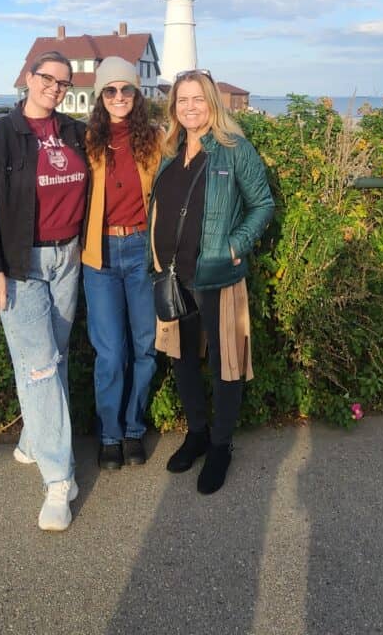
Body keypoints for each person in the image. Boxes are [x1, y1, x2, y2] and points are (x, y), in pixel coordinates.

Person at [0, 51, 88, 532]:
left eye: (63, 82)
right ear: (28, 79)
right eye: (47, 78)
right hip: (21, 266)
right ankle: (60, 480)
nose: (54, 88)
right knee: (40, 367)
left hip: (69, 258)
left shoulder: (75, 133)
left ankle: (34, 438)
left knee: (49, 358)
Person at [148, 69, 274, 495]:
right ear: (174, 107)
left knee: (226, 363)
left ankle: (220, 445)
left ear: (213, 103)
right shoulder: (170, 150)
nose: (190, 107)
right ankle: (197, 433)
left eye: (198, 99)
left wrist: (235, 247)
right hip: (173, 276)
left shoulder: (234, 149)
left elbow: (262, 204)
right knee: (182, 359)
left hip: (217, 275)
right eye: (182, 100)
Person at [81, 56, 163, 469]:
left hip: (140, 253)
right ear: (100, 95)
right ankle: (109, 432)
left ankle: (134, 428)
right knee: (111, 353)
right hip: (99, 255)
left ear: (137, 93)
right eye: (110, 90)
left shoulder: (155, 138)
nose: (118, 97)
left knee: (145, 347)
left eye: (126, 89)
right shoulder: (88, 140)